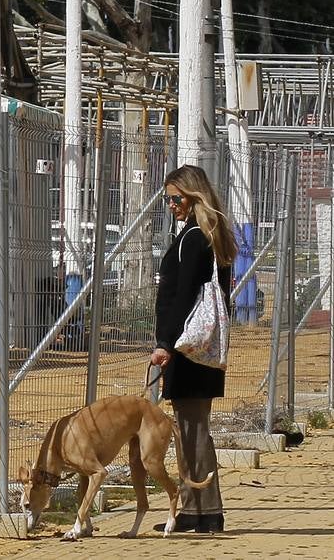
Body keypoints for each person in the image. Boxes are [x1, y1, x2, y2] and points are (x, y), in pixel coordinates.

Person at [149, 164, 237, 534]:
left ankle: (197, 510)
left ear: (192, 195)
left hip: (187, 348)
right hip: (201, 348)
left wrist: (166, 344)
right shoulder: (210, 235)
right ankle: (203, 509)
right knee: (194, 428)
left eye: (176, 198)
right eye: (168, 199)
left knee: (191, 430)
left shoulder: (193, 238)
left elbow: (183, 295)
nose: (171, 204)